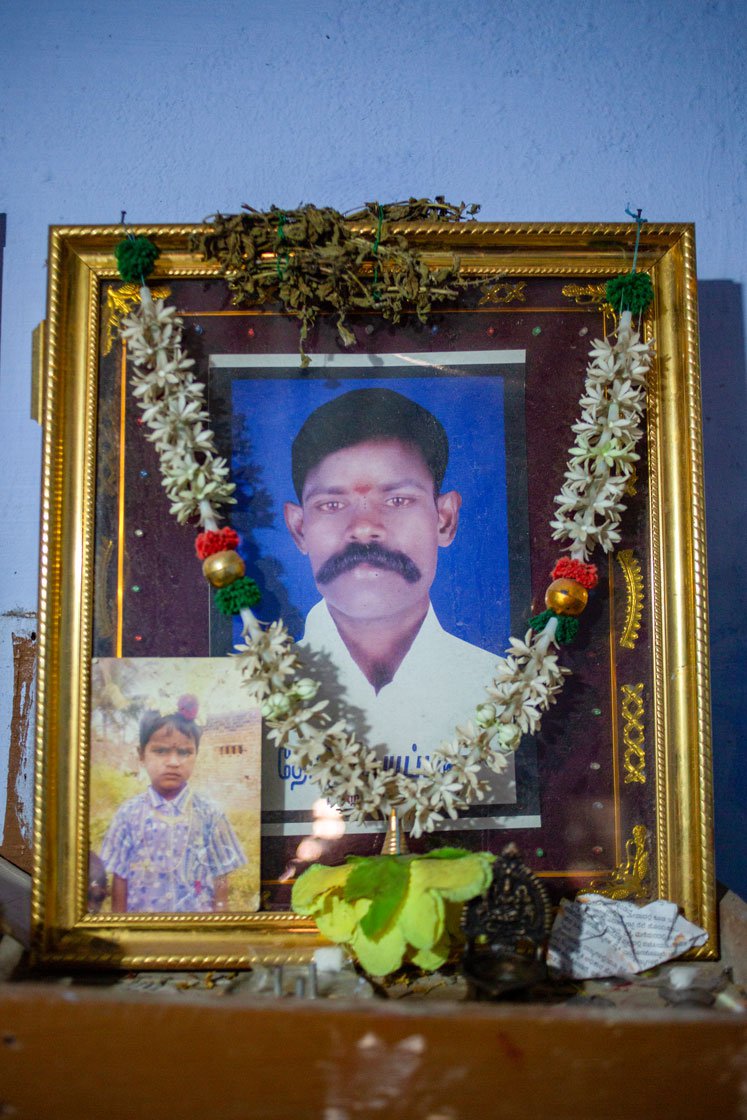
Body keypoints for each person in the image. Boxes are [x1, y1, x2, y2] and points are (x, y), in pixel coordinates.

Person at [282, 388, 514, 801]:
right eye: (332, 505)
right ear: (299, 528)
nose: (365, 527)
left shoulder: (508, 692)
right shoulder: (248, 700)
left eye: (397, 499)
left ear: (444, 519)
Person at [100, 695, 247, 912]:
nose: (173, 762)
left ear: (196, 754)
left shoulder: (210, 814)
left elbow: (220, 876)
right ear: (141, 754)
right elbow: (119, 879)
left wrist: (219, 927)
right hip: (143, 935)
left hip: (197, 934)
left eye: (184, 752)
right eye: (161, 751)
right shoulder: (127, 815)